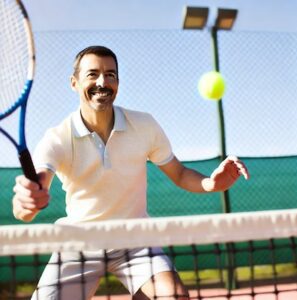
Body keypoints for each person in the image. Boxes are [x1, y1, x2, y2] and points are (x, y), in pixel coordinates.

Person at [12, 45, 250, 300]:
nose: (102, 82)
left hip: (135, 240)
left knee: (174, 297)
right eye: (92, 74)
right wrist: (26, 203)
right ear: (74, 82)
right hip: (78, 243)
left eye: (110, 75)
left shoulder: (144, 125)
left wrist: (210, 183)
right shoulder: (57, 138)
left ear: (118, 82)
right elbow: (34, 190)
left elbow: (179, 173)